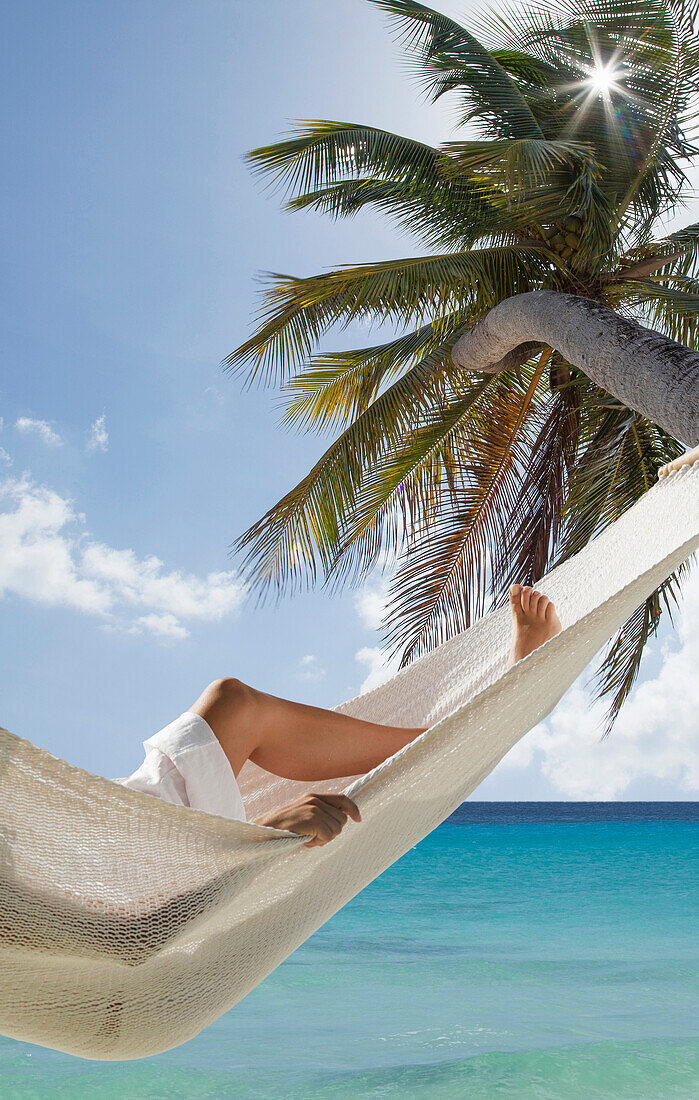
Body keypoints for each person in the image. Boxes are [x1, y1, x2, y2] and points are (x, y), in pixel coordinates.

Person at [116, 583, 561, 846]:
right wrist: (265, 830)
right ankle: (468, 733)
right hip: (122, 855)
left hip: (115, 831)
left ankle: (460, 735)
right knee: (235, 705)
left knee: (235, 705)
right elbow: (135, 913)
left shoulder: (61, 813)